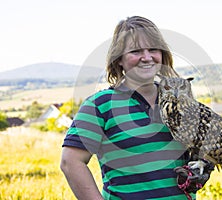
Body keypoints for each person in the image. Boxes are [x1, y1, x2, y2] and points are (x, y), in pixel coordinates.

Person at [60, 16, 213, 200]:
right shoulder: (100, 105)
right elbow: (70, 162)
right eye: (135, 51)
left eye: (153, 49)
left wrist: (203, 163)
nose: (147, 57)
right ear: (119, 60)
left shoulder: (181, 101)